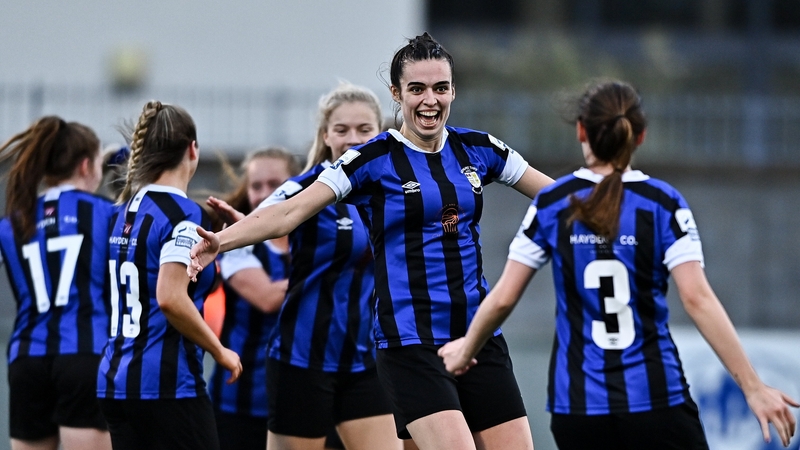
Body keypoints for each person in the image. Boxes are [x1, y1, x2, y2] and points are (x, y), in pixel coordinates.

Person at [190, 34, 553, 450]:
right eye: (417, 89)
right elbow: (289, 211)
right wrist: (222, 241)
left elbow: (558, 198)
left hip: (479, 335)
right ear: (397, 94)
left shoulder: (479, 148)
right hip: (409, 343)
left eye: (440, 88)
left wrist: (609, 203)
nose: (430, 100)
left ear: (454, 91)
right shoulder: (372, 159)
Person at [438, 80, 799, 449]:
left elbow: (503, 299)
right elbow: (697, 299)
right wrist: (753, 388)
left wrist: (466, 350)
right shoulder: (663, 203)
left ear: (581, 130)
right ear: (640, 136)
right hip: (657, 401)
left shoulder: (553, 203)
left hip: (578, 408)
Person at [208, 82, 403, 450]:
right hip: (302, 361)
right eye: (342, 129)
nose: (353, 139)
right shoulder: (307, 187)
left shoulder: (394, 192)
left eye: (364, 129)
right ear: (326, 135)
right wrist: (225, 239)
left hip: (363, 361)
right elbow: (271, 213)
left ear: (379, 133)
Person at [96, 100, 242, 450]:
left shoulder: (123, 211)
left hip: (116, 382)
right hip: (167, 386)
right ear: (193, 149)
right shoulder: (183, 214)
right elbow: (170, 297)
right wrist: (220, 351)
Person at [0, 116, 113, 450]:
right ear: (86, 165)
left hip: (26, 360)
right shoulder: (107, 213)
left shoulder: (12, 222)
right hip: (84, 355)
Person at [207, 147, 300, 450]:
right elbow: (268, 298)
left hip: (302, 398)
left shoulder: (314, 238)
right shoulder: (237, 241)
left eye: (275, 185)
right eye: (256, 186)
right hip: (239, 402)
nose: (264, 194)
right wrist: (329, 271)